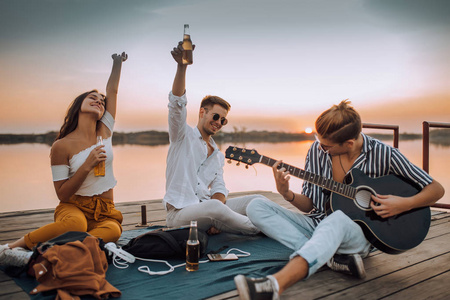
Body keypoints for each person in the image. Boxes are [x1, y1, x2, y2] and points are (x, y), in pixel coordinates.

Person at [234, 100, 445, 299]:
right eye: (318, 141)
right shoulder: (317, 152)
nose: (320, 147)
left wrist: (402, 204)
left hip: (358, 236)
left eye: (325, 146)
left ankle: (272, 285)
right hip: (316, 225)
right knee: (257, 205)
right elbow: (310, 206)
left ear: (349, 142)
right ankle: (329, 256)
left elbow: (436, 189)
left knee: (337, 219)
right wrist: (286, 193)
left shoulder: (384, 154)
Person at [0, 52, 128, 267]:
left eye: (101, 102)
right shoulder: (61, 146)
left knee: (113, 231)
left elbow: (112, 91)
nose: (99, 101)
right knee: (76, 225)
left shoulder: (105, 131)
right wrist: (87, 165)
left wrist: (117, 63)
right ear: (79, 106)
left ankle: (47, 256)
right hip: (73, 207)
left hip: (105, 210)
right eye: (92, 98)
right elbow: (62, 193)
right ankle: (11, 248)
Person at [164, 41, 268, 236]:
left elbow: (219, 188)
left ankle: (272, 220)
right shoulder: (182, 136)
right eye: (216, 116)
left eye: (224, 120)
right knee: (215, 209)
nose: (219, 122)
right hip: (179, 214)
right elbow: (176, 104)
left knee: (257, 200)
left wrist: (217, 216)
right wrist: (181, 67)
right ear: (202, 112)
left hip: (208, 209)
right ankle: (262, 229)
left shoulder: (218, 155)